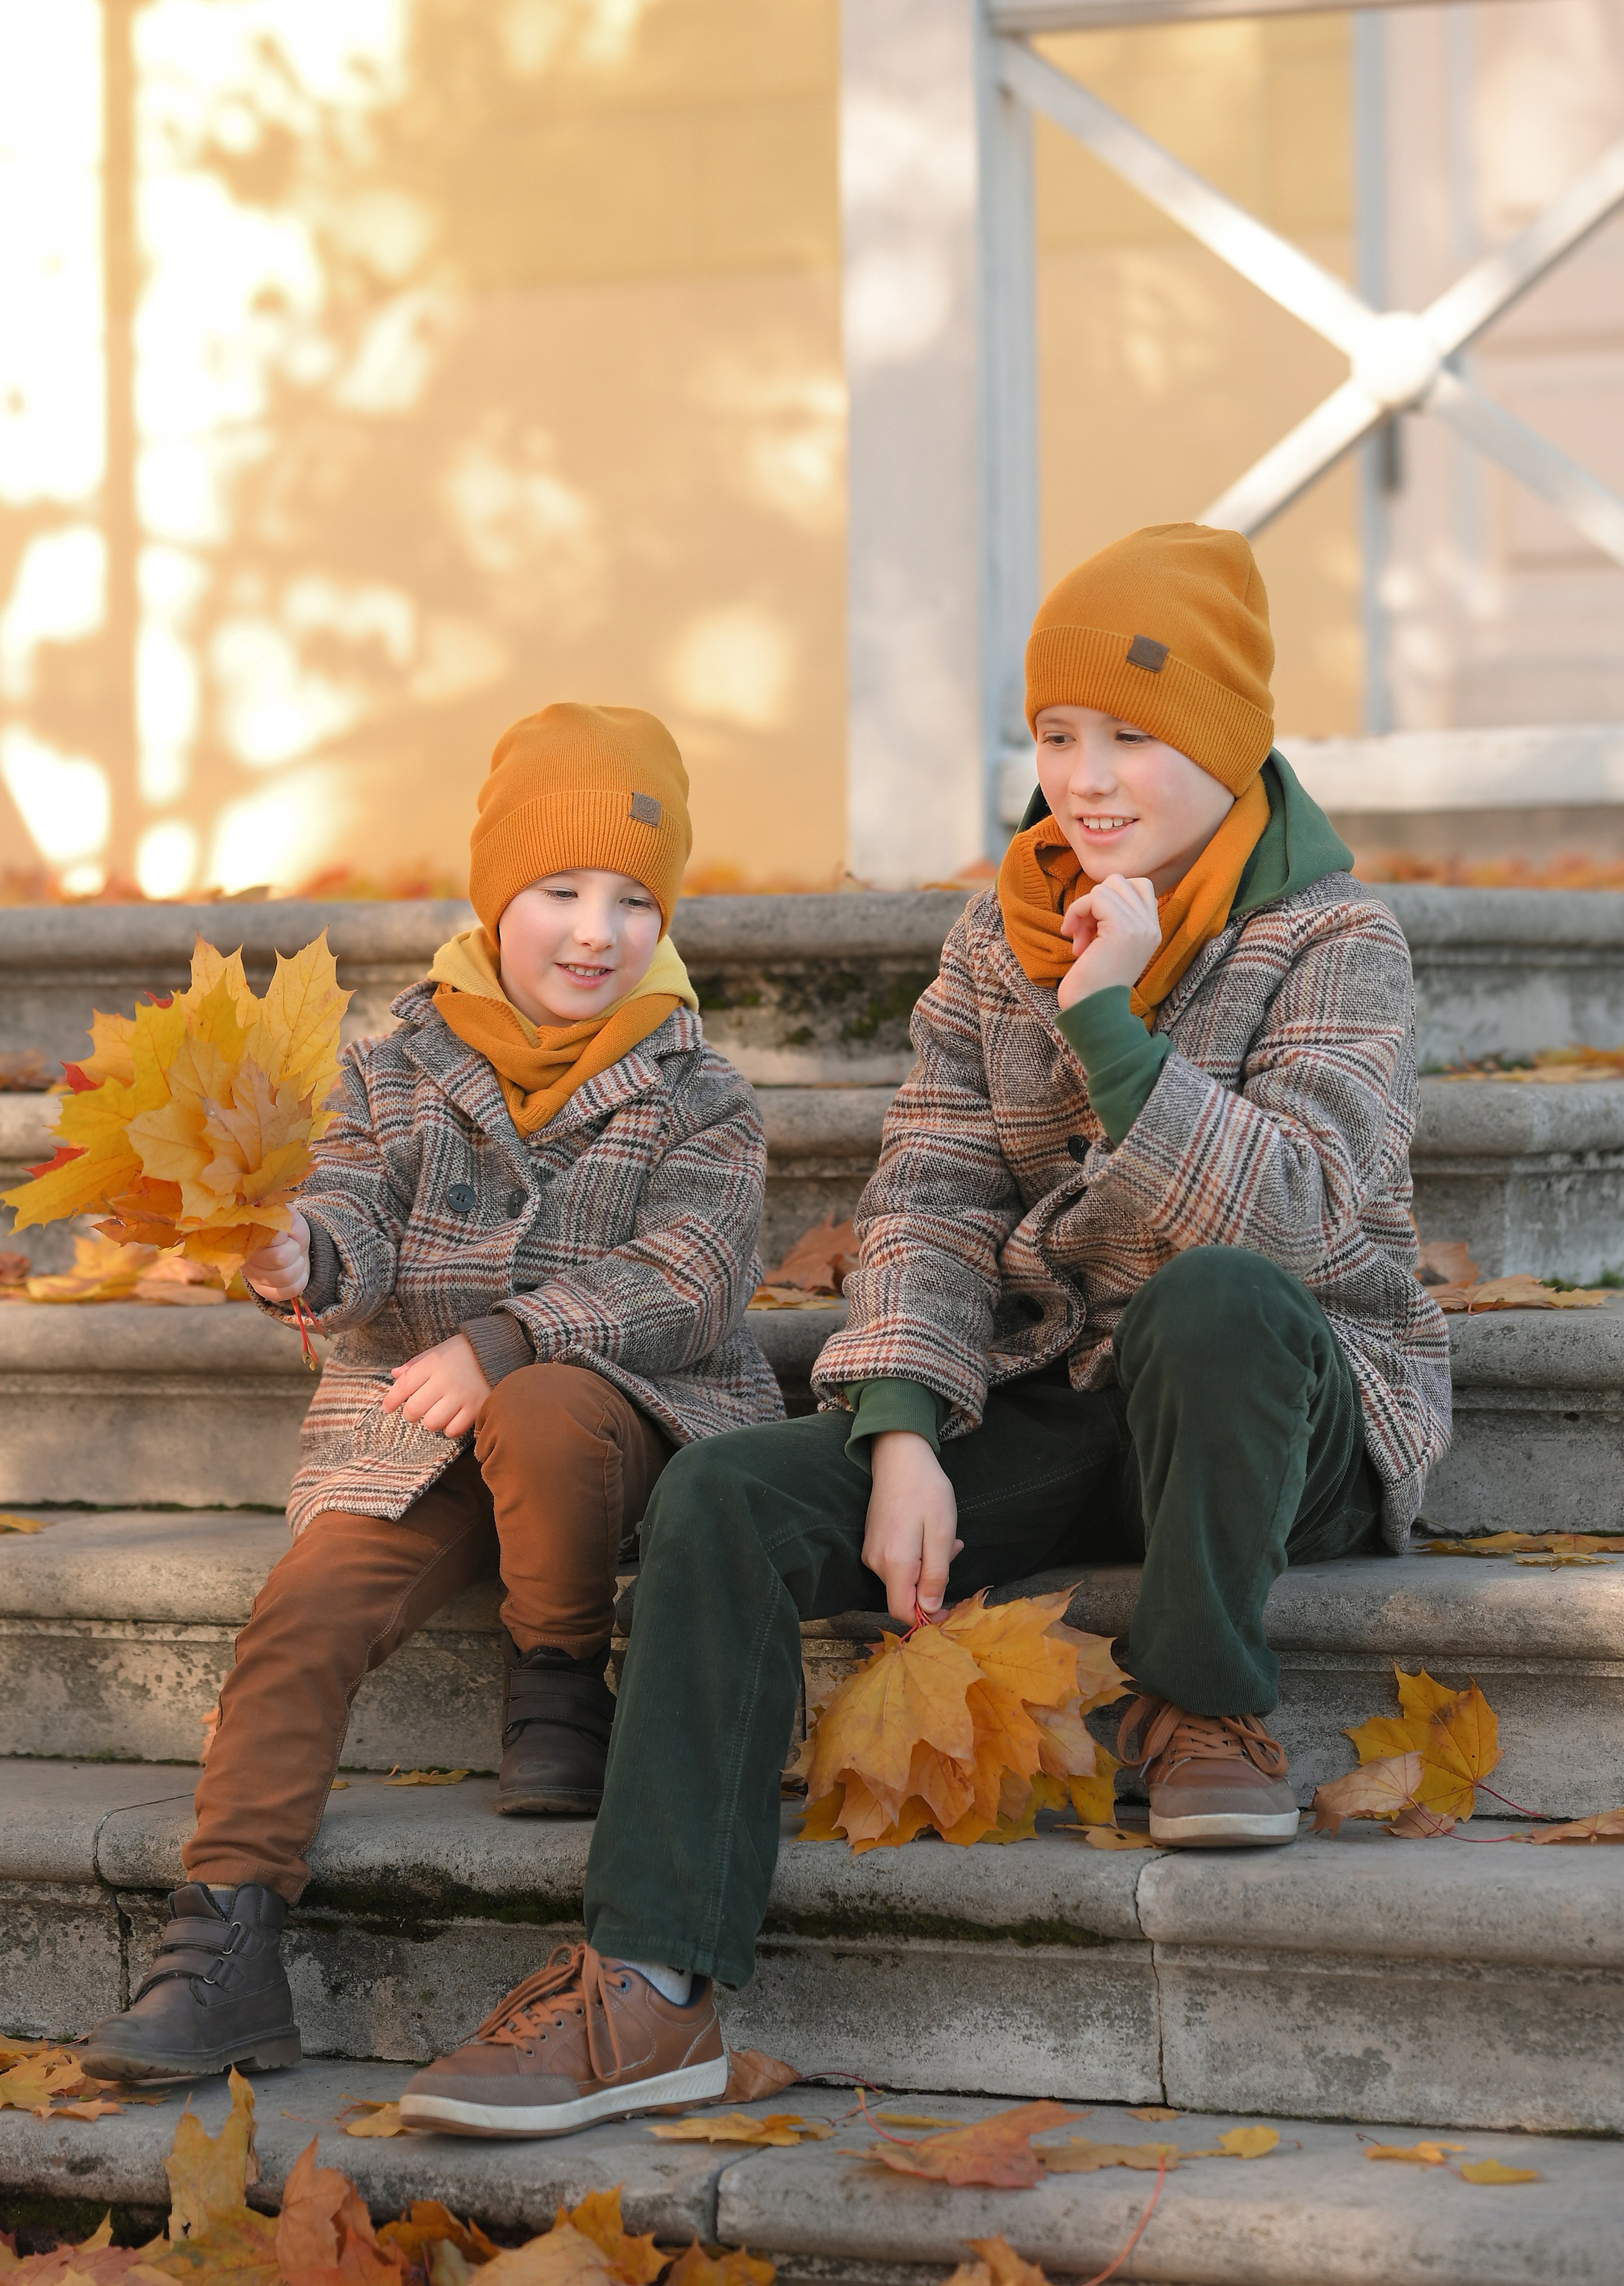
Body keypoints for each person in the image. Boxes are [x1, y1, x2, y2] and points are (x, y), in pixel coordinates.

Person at [394, 523, 1453, 2140]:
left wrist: (1110, 1026)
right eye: (1055, 735)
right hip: (1047, 1390)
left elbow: (1298, 1219)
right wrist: (896, 1430)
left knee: (1216, 1296)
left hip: (1270, 1408)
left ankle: (1203, 1696)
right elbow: (930, 1194)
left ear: (1228, 744)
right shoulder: (990, 941)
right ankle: (650, 1988)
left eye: (1129, 736)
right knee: (730, 1494)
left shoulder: (1331, 940)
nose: (1084, 779)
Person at [82, 702, 782, 2082]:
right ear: (494, 899)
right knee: (306, 1606)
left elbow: (692, 1275)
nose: (597, 931)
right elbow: (350, 1213)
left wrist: (514, 1335)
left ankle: (558, 1672)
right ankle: (223, 1939)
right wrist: (300, 1257)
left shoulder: (704, 1092)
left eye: (635, 901)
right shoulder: (392, 1067)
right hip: (411, 1432)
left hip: (616, 1412)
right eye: (560, 892)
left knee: (538, 1405)